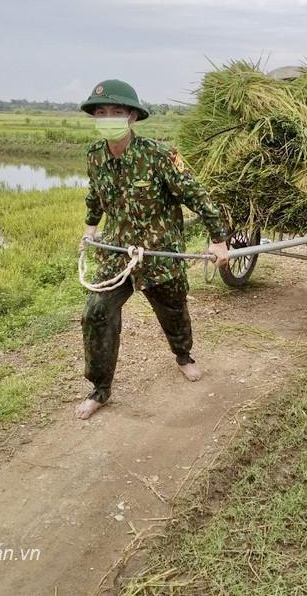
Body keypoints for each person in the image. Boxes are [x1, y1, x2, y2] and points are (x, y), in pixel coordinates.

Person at [76, 79, 229, 420]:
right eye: (101, 112)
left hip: (161, 254)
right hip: (117, 252)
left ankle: (183, 356)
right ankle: (100, 389)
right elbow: (94, 194)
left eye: (116, 111)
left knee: (173, 311)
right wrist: (90, 226)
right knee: (96, 312)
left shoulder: (160, 156)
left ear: (131, 116)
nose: (108, 118)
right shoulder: (95, 157)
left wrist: (218, 239)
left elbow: (197, 195)